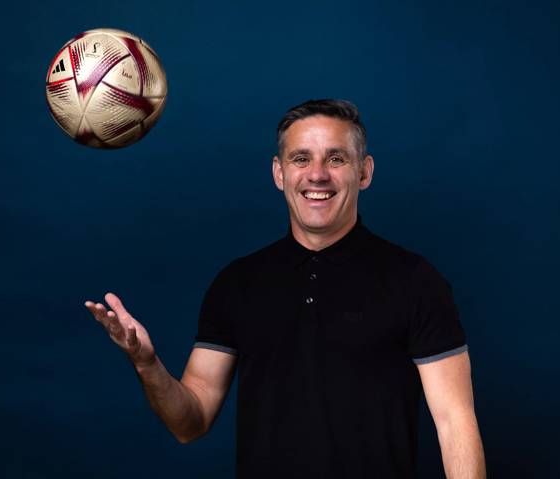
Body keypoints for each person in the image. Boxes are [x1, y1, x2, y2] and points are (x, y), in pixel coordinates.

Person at [85, 99, 486, 478]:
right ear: (279, 174)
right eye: (301, 159)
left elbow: (455, 423)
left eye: (335, 158)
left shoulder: (414, 280)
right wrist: (146, 365)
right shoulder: (238, 282)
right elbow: (190, 422)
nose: (317, 174)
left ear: (364, 172)